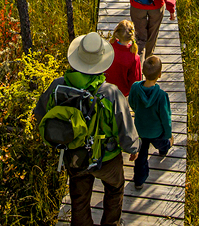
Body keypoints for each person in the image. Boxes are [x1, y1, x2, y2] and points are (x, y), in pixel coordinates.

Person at [33, 32, 139, 226]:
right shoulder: (110, 93)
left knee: (79, 199)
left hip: (74, 154)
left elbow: (40, 114)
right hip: (107, 158)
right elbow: (125, 127)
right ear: (101, 62)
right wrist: (132, 149)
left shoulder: (58, 86)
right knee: (115, 189)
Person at [127, 55, 172, 190]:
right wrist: (169, 134)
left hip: (140, 129)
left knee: (141, 157)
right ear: (159, 74)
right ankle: (163, 150)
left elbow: (132, 103)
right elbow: (165, 117)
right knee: (163, 143)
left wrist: (137, 110)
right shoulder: (161, 96)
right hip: (156, 131)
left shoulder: (135, 88)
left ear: (143, 72)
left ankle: (139, 181)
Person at [104, 20, 142, 97]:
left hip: (105, 88)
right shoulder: (134, 57)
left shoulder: (108, 47)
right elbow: (135, 79)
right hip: (122, 93)